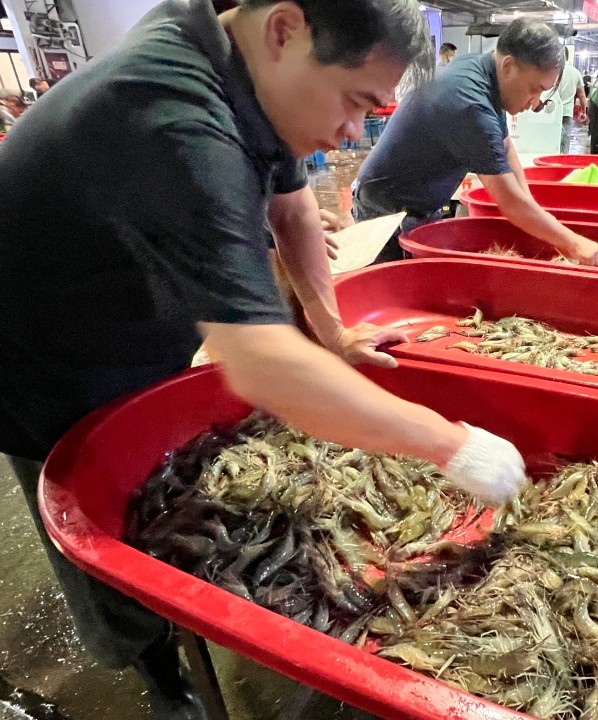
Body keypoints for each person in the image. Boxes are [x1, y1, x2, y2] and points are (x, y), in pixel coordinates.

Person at [0, 1, 528, 718]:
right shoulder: (175, 120)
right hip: (40, 347)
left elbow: (293, 210)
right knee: (96, 511)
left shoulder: (231, 53)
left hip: (136, 304)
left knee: (171, 490)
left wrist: (334, 333)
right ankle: (157, 673)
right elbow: (259, 364)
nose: (354, 132)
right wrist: (452, 443)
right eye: (354, 102)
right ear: (286, 28)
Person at [352, 19, 598, 265]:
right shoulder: (469, 101)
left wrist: (532, 206)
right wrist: (574, 243)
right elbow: (510, 203)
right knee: (401, 288)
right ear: (509, 66)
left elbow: (505, 147)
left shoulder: (485, 76)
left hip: (416, 204)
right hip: (386, 211)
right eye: (534, 89)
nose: (535, 101)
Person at [558, 62, 587, 153]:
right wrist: (584, 112)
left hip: (552, 112)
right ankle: (563, 160)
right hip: (567, 113)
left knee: (551, 139)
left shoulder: (552, 70)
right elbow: (582, 95)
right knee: (565, 140)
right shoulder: (575, 72)